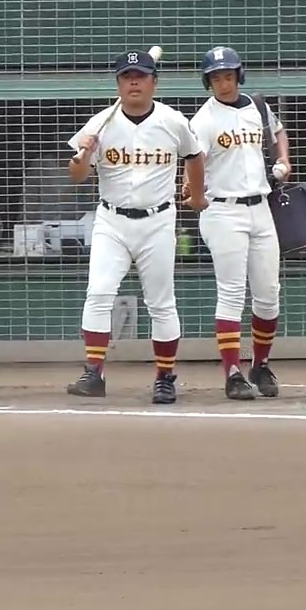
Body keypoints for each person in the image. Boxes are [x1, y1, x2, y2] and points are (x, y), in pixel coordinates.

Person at [64, 49, 207, 404]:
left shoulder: (173, 121)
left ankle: (164, 377)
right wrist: (82, 155)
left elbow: (195, 155)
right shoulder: (100, 124)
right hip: (111, 220)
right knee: (98, 293)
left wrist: (198, 193)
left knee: (161, 302)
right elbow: (77, 177)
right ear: (118, 83)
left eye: (141, 76)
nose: (134, 82)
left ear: (154, 82)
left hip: (158, 219)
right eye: (127, 76)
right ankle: (93, 373)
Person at [188, 46, 292, 401]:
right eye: (216, 77)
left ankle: (260, 365)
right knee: (231, 293)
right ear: (208, 82)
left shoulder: (257, 106)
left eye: (228, 75)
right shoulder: (204, 119)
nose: (224, 83)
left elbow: (278, 132)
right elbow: (193, 160)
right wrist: (197, 194)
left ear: (239, 75)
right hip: (223, 210)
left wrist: (283, 161)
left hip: (260, 206)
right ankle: (233, 372)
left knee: (268, 295)